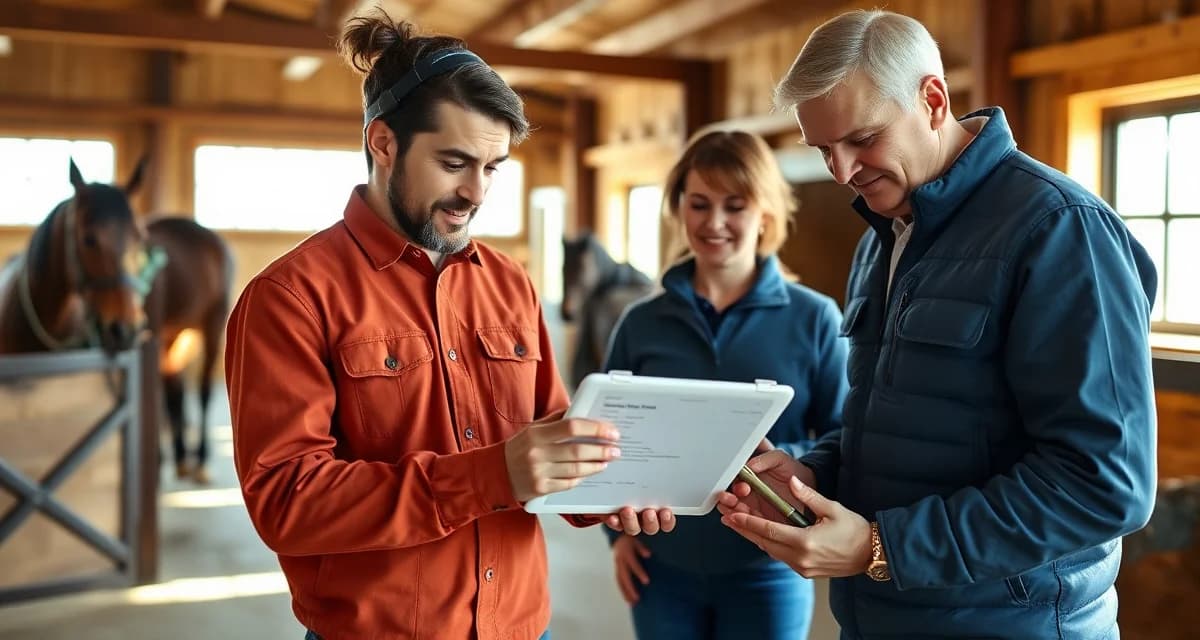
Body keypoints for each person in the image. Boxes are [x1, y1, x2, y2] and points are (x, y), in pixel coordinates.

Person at [223, 12, 673, 640]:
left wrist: (610, 491)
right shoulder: (290, 297)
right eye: (455, 162)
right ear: (383, 143)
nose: (476, 192)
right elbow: (288, 501)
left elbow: (550, 433)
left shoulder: (510, 283)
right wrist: (492, 476)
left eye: (492, 168)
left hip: (520, 625)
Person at [716, 9, 1158, 640]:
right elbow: (900, 422)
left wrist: (881, 548)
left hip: (1012, 624)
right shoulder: (885, 236)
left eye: (861, 139)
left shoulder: (1059, 228)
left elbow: (1104, 483)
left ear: (932, 99)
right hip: (884, 616)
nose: (841, 172)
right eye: (822, 150)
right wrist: (813, 476)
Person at [603, 129, 849, 639]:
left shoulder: (816, 319)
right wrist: (618, 539)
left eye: (734, 206)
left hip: (769, 566)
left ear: (766, 213)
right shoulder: (640, 322)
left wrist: (779, 461)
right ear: (679, 210)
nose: (714, 223)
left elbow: (844, 435)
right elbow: (609, 441)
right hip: (662, 562)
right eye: (699, 204)